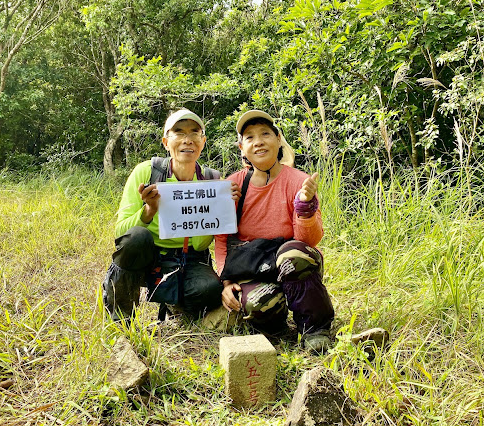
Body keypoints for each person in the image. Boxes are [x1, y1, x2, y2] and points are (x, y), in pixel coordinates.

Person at [215, 110, 335, 353]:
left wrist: (304, 206)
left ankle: (315, 329)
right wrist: (225, 282)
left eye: (265, 134)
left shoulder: (298, 181)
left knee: (294, 255)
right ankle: (278, 322)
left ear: (278, 139)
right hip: (253, 267)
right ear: (241, 148)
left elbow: (308, 241)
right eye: (249, 137)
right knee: (259, 305)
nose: (258, 141)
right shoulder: (233, 185)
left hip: (290, 264)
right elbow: (221, 239)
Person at [103, 109, 231, 322]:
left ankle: (176, 304)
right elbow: (121, 232)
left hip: (190, 257)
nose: (187, 140)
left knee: (208, 290)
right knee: (135, 238)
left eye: (194, 133)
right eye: (179, 133)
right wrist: (149, 211)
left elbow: (201, 245)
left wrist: (218, 206)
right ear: (165, 141)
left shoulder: (212, 180)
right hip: (149, 253)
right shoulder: (146, 172)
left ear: (203, 141)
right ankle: (120, 319)